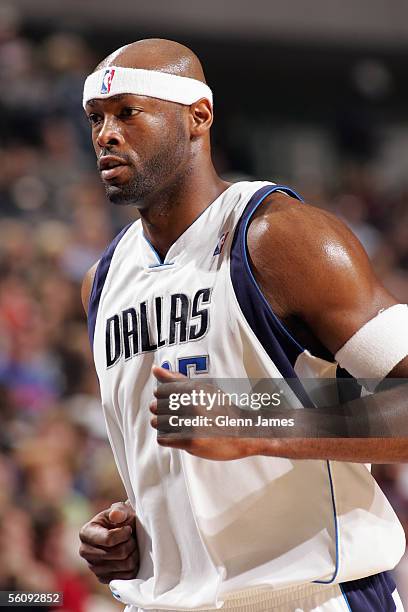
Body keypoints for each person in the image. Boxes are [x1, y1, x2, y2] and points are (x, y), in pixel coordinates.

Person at [78, 39, 408, 611]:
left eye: (128, 112)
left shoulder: (285, 238)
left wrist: (256, 421)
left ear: (198, 117)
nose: (106, 134)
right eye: (96, 118)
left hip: (308, 595)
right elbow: (182, 460)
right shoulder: (102, 281)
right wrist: (136, 533)